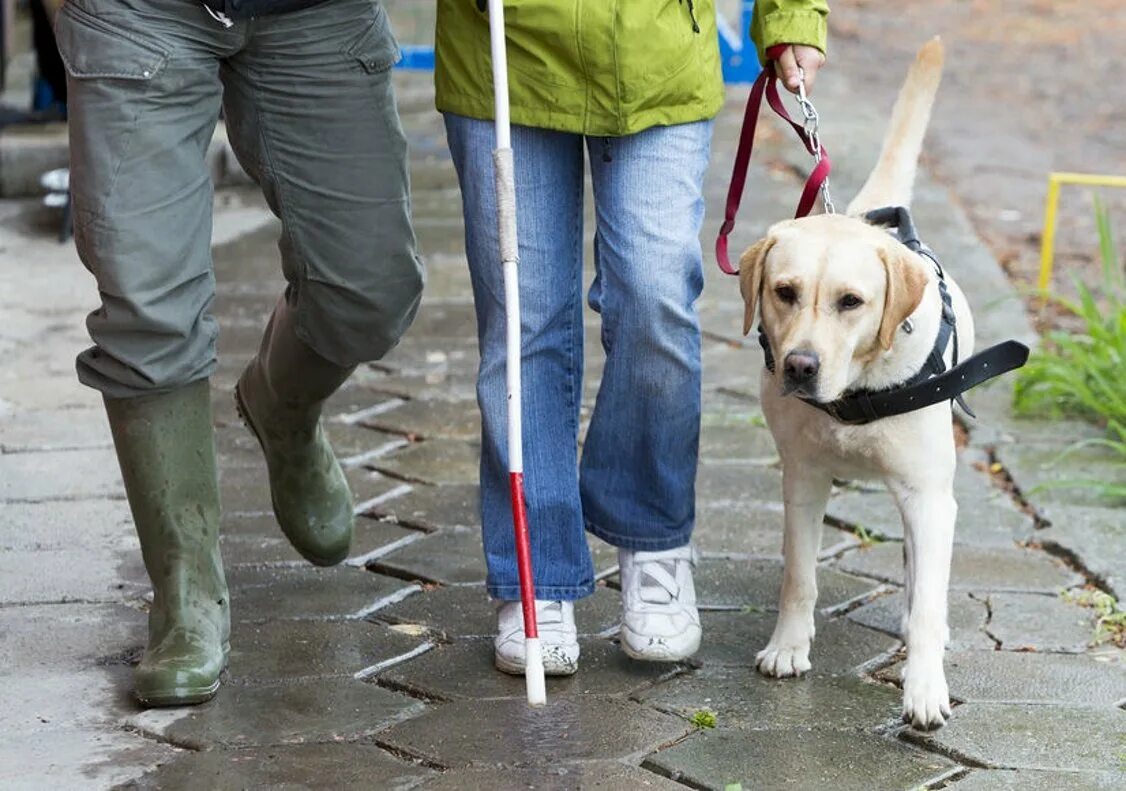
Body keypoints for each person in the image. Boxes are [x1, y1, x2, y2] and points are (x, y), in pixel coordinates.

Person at [434, 0, 829, 675]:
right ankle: (538, 574)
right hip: (504, 46)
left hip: (657, 53)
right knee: (524, 318)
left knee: (655, 295)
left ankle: (654, 540)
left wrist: (792, 12)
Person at [56, 0, 423, 706]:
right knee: (145, 300)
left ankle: (282, 409)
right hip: (138, 12)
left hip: (315, 10)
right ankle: (186, 590)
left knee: (370, 288)